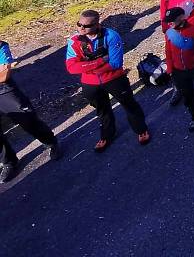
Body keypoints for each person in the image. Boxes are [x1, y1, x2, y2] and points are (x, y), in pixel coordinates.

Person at [65, 10, 150, 151]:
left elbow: (115, 63)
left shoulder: (111, 36)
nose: (81, 28)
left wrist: (86, 68)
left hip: (114, 79)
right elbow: (71, 68)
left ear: (97, 24)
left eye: (86, 26)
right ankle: (107, 135)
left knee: (129, 104)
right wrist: (99, 62)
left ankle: (141, 129)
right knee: (102, 110)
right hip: (90, 83)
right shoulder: (74, 41)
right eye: (79, 24)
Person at [0, 41, 60, 183]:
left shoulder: (1, 46)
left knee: (28, 120)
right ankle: (8, 161)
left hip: (4, 91)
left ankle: (50, 143)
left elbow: (4, 75)